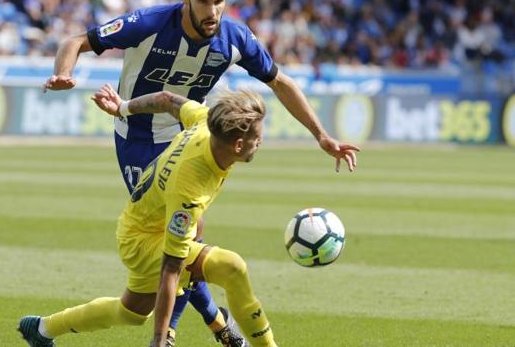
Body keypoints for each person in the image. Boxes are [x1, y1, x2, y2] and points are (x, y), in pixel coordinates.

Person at [42, 0, 358, 345]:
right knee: (185, 238)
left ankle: (203, 324)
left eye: (220, 1)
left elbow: (280, 82)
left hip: (189, 131)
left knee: (175, 252)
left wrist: (321, 136)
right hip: (138, 139)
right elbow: (74, 41)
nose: (213, 11)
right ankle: (204, 326)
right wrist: (64, 72)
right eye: (204, 1)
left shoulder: (234, 37)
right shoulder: (149, 23)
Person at [18, 85, 360, 347]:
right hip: (143, 241)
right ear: (239, 146)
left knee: (131, 312)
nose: (262, 143)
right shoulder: (191, 187)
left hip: (136, 224)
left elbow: (168, 99)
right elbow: (170, 267)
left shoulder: (202, 122)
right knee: (232, 267)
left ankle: (44, 328)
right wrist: (161, 338)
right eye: (257, 139)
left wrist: (123, 107)